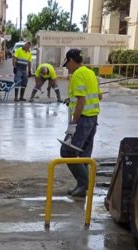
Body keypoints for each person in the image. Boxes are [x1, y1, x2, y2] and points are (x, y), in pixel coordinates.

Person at [60, 49, 102, 197]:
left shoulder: (77, 74)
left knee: (67, 152)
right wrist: (71, 100)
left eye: (67, 64)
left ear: (71, 60)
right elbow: (99, 95)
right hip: (93, 119)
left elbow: (82, 100)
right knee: (84, 154)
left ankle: (85, 184)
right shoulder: (90, 72)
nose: (66, 67)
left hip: (83, 120)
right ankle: (83, 188)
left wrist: (73, 123)